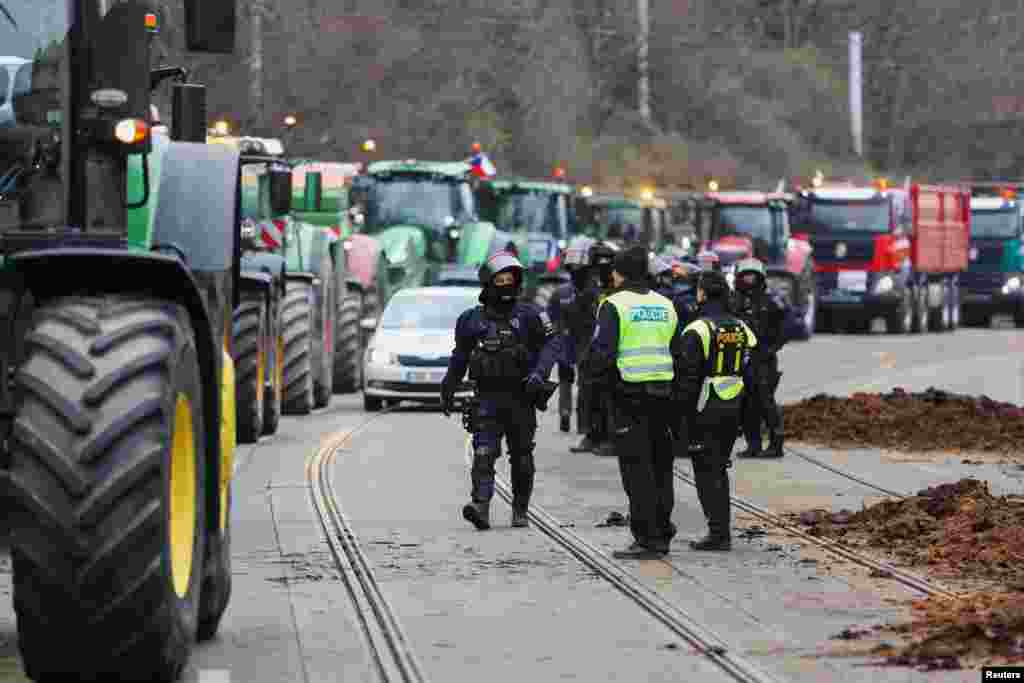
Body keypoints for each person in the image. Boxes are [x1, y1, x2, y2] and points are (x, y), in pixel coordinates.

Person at [440, 252, 562, 530]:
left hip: (521, 397)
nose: (507, 284)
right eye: (501, 279)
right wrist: (447, 388)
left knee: (521, 455)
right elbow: (459, 357)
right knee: (483, 451)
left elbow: (553, 343)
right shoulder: (470, 320)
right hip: (486, 397)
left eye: (511, 279)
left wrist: (539, 373)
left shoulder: (532, 315)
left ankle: (520, 510)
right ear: (488, 283)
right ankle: (480, 506)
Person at [587, 245, 684, 558]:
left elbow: (602, 353)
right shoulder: (666, 305)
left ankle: (646, 538)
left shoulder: (613, 304)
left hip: (628, 397)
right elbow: (677, 350)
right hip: (663, 397)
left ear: (619, 273)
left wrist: (599, 390)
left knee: (636, 470)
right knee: (660, 467)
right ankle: (663, 530)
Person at [678, 269, 757, 550]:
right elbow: (753, 372)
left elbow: (687, 380)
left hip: (704, 407)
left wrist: (681, 419)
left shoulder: (697, 330)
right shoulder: (740, 327)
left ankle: (718, 533)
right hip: (733, 405)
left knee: (705, 471)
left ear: (701, 293)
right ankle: (720, 530)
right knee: (719, 468)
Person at [731, 258, 786, 458]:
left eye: (752, 275)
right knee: (745, 404)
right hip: (740, 360)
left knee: (766, 402)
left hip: (763, 360)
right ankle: (753, 444)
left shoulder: (771, 303)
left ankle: (776, 444)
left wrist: (768, 350)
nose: (748, 280)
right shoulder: (732, 301)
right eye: (745, 275)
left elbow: (782, 332)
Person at [571, 241, 618, 456]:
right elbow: (579, 313)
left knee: (607, 394)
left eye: (607, 261)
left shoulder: (616, 284)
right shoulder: (586, 283)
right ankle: (591, 434)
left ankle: (608, 437)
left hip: (607, 345)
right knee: (588, 393)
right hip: (588, 344)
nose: (603, 266)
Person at [548, 244, 592, 432]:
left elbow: (551, 315)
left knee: (575, 382)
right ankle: (574, 419)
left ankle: (572, 416)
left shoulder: (567, 292)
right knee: (574, 382)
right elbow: (550, 315)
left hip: (577, 341)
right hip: (574, 342)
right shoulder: (567, 293)